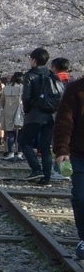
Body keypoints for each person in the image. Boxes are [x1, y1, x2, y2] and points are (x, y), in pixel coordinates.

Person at [53, 74, 84, 260]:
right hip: (80, 153)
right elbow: (65, 120)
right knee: (81, 196)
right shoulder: (76, 89)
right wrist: (61, 149)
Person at [22, 48, 58, 185]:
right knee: (45, 146)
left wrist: (27, 111)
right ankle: (47, 177)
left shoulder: (30, 75)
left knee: (24, 142)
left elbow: (26, 97)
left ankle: (36, 169)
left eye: (31, 58)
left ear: (34, 60)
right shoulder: (51, 74)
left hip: (35, 114)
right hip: (51, 115)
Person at [1, 72, 25, 160]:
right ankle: (19, 153)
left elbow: (2, 102)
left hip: (8, 112)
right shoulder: (22, 88)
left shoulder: (6, 88)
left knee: (10, 133)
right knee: (21, 133)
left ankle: (10, 152)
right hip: (20, 113)